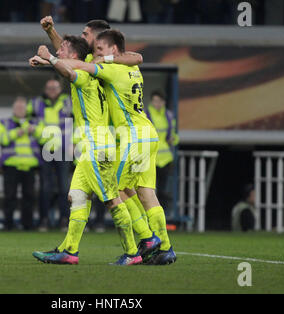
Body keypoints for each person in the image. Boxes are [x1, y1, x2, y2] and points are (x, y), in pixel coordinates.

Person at [39, 16, 159, 258]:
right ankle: (69, 251)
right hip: (94, 144)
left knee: (114, 198)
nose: (83, 37)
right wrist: (50, 46)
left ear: (98, 37)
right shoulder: (92, 64)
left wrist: (51, 59)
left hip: (99, 144)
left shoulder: (90, 71)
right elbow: (68, 55)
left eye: (85, 34)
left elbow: (136, 57)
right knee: (77, 196)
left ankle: (139, 246)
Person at [57, 30, 177, 265]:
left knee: (117, 189)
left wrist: (51, 59)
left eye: (98, 46)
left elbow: (80, 66)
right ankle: (165, 248)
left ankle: (148, 238)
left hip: (132, 135)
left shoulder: (111, 69)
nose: (97, 51)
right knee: (146, 193)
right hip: (148, 133)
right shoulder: (131, 67)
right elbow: (137, 57)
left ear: (111, 48)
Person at [28, 77, 72, 231]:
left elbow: (77, 122)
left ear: (60, 89)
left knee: (64, 187)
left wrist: (73, 143)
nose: (52, 91)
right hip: (45, 148)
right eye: (49, 88)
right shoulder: (36, 103)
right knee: (45, 187)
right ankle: (44, 220)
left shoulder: (69, 101)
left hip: (64, 149)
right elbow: (31, 124)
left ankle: (64, 220)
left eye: (55, 88)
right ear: (45, 90)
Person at [0, 97, 42, 231]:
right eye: (18, 108)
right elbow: (0, 139)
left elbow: (46, 137)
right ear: (13, 109)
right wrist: (16, 133)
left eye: (22, 108)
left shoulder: (35, 123)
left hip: (30, 166)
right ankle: (8, 224)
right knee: (10, 196)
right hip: (11, 165)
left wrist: (35, 131)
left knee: (29, 197)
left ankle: (28, 225)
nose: (20, 110)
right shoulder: (3, 123)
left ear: (27, 109)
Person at [144, 90, 179, 212]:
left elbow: (174, 136)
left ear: (163, 102)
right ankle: (149, 216)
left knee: (163, 191)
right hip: (149, 158)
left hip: (165, 159)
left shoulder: (169, 116)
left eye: (159, 101)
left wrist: (173, 139)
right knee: (148, 190)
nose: (156, 103)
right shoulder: (145, 115)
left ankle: (162, 218)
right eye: (154, 101)